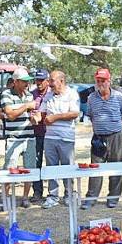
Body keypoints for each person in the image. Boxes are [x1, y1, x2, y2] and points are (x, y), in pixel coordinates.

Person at [83, 67, 122, 209]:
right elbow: (90, 116)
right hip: (98, 138)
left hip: (115, 136)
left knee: (116, 168)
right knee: (95, 168)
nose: (100, 83)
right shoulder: (91, 98)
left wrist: (117, 128)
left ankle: (113, 198)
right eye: (98, 81)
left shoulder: (118, 97)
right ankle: (91, 199)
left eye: (103, 80)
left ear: (109, 81)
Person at [33, 70, 80, 209]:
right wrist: (35, 118)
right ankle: (52, 196)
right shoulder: (48, 95)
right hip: (50, 137)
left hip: (66, 137)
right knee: (51, 168)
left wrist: (55, 117)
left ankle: (69, 195)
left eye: (52, 81)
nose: (50, 83)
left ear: (61, 81)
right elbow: (41, 114)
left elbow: (75, 113)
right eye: (50, 81)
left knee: (68, 168)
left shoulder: (72, 94)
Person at [1, 68, 37, 208]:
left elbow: (31, 114)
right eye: (23, 81)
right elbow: (10, 114)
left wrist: (35, 117)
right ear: (15, 82)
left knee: (30, 169)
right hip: (13, 137)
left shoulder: (29, 95)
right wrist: (26, 106)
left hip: (29, 137)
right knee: (9, 169)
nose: (26, 84)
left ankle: (25, 198)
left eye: (27, 81)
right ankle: (6, 198)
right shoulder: (6, 94)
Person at [30, 69, 51, 202]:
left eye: (41, 80)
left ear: (47, 81)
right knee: (36, 162)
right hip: (36, 133)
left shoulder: (52, 93)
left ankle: (53, 192)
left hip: (50, 133)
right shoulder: (31, 95)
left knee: (51, 164)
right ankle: (37, 191)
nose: (39, 83)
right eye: (37, 80)